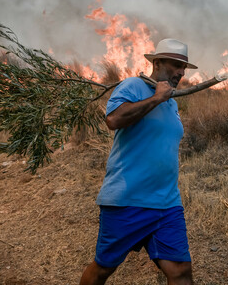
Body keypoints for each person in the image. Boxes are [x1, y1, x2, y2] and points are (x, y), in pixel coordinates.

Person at [80, 39, 198, 285]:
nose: (181, 72)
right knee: (103, 269)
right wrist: (156, 98)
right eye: (176, 65)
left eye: (184, 67)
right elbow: (113, 119)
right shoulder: (133, 85)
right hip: (127, 200)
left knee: (180, 272)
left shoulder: (172, 103)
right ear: (156, 63)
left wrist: (163, 98)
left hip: (167, 203)